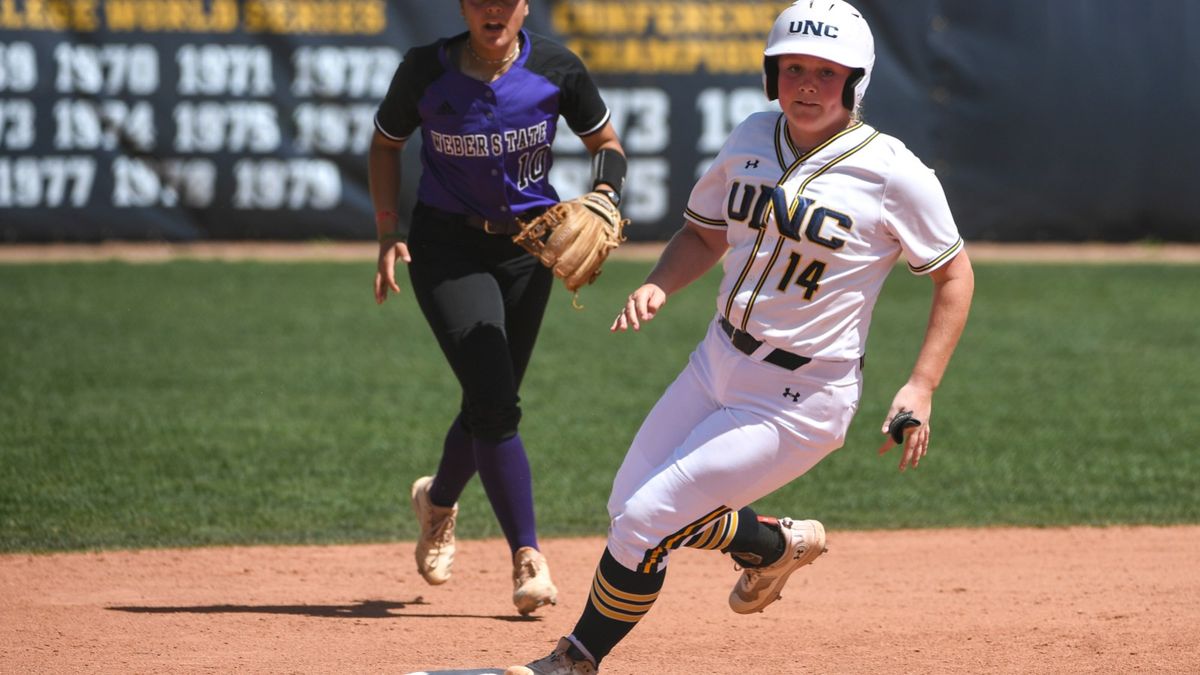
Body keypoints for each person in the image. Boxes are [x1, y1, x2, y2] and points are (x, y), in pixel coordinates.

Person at [504, 0, 974, 671]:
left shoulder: (894, 173)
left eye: (826, 72)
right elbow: (704, 232)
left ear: (855, 82)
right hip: (715, 361)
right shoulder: (752, 137)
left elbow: (955, 275)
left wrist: (921, 385)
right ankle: (770, 545)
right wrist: (660, 283)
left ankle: (574, 659)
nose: (807, 84)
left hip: (802, 396)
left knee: (644, 523)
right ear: (770, 75)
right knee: (625, 511)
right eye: (793, 69)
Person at [368, 0, 627, 617]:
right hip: (446, 248)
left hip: (528, 249)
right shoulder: (425, 70)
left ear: (524, 7)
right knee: (496, 399)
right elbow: (385, 145)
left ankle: (439, 500)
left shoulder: (556, 69)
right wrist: (386, 230)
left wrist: (605, 191)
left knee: (490, 397)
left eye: (505, 0)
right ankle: (528, 556)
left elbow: (606, 142)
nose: (493, 10)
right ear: (463, 6)